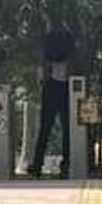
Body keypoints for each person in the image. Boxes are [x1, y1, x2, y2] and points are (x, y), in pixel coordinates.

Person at [27, 23, 75, 178]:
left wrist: (42, 79)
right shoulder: (70, 41)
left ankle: (37, 164)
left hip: (51, 87)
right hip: (68, 87)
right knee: (68, 128)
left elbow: (42, 68)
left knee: (45, 128)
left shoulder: (48, 43)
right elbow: (74, 64)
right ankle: (66, 165)